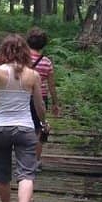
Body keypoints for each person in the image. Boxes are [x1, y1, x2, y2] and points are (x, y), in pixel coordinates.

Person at [0, 33, 48, 202]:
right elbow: (39, 105)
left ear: (4, 51)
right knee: (26, 174)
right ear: (24, 51)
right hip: (25, 129)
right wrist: (43, 122)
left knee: (2, 173)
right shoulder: (33, 75)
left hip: (1, 128)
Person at [26, 27, 60, 158]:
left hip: (22, 96)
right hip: (40, 98)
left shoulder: (21, 59)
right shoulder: (46, 62)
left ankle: (22, 157)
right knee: (38, 128)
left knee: (22, 127)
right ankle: (35, 160)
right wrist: (55, 103)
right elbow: (51, 85)